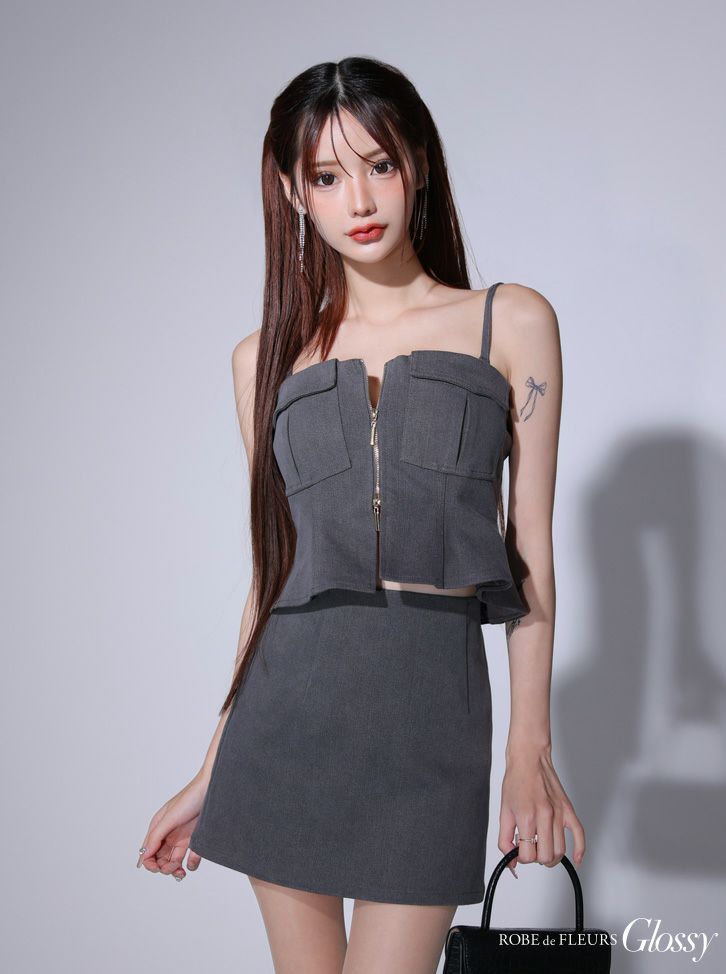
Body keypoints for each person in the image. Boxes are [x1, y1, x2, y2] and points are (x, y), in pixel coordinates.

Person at [137, 56, 585, 974]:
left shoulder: (510, 323)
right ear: (293, 193)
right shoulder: (262, 360)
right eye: (327, 177)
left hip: (431, 728)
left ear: (417, 161)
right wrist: (212, 768)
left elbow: (530, 548)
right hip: (284, 732)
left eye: (379, 164)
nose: (361, 199)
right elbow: (272, 576)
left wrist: (528, 747)